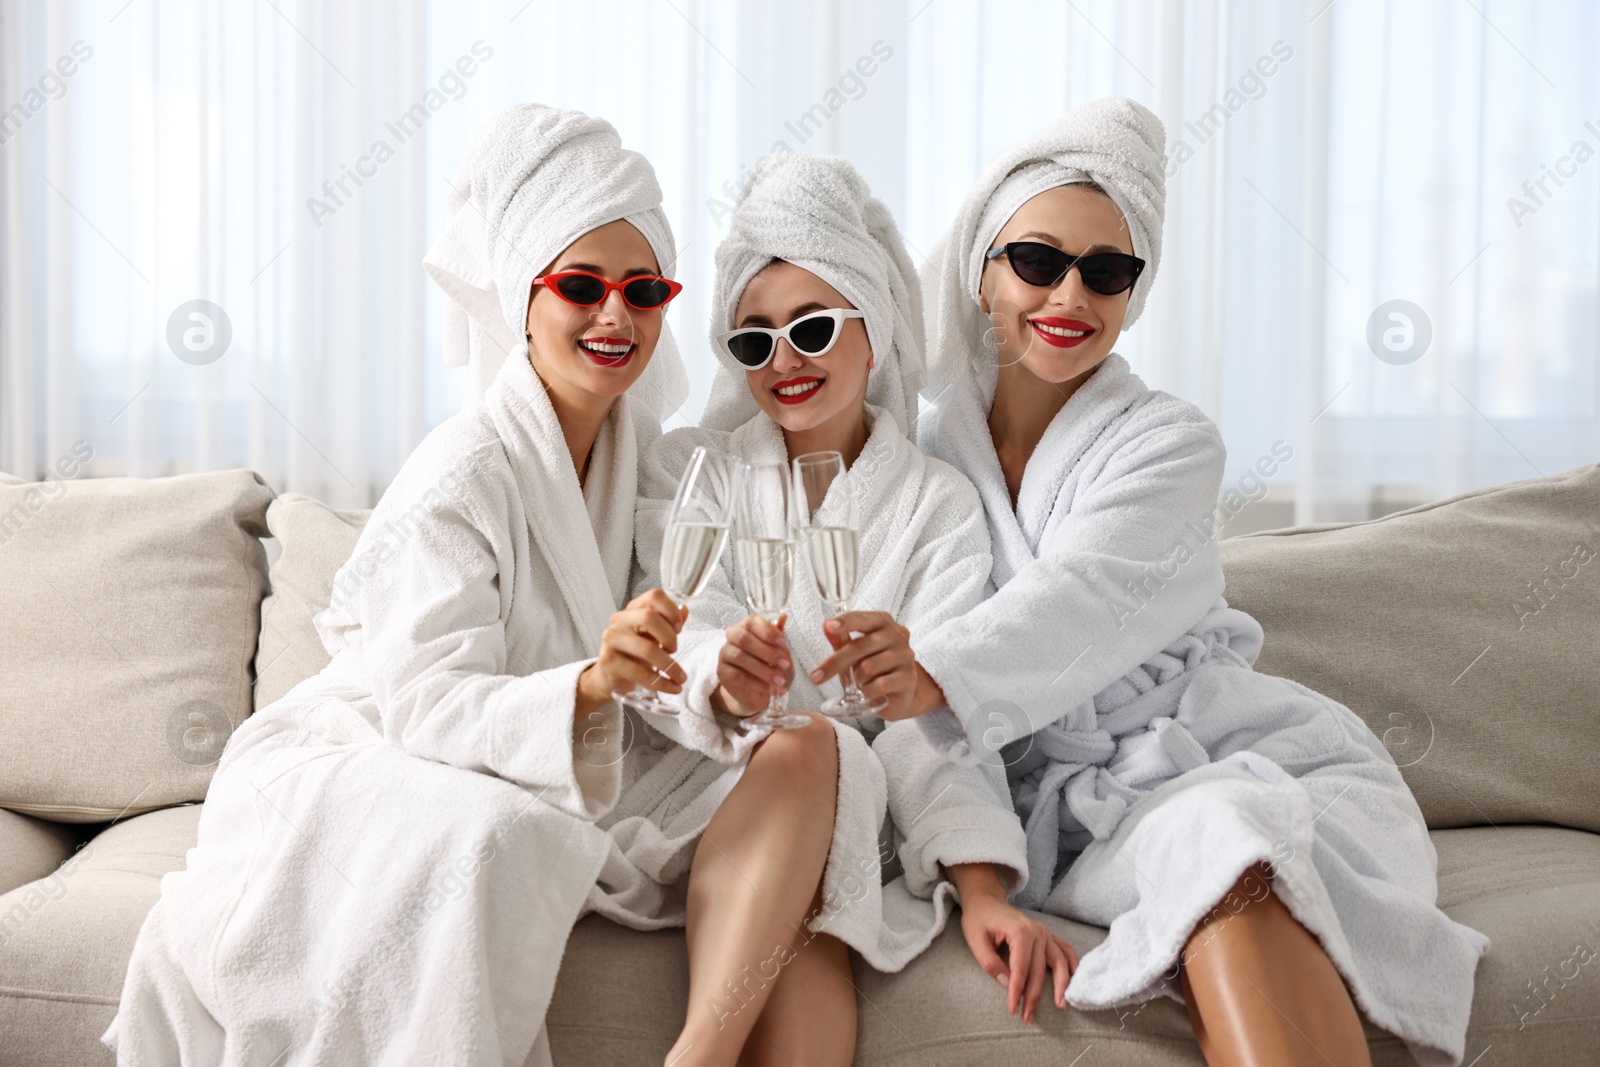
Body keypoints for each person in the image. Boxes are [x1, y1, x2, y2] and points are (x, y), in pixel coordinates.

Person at [811, 98, 1490, 1067]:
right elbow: (921, 712)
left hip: (1204, 752)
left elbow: (1089, 598)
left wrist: (931, 670)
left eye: (1107, 270)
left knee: (1227, 836)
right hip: (1046, 801)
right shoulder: (916, 462)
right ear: (979, 274)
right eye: (1037, 262)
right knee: (1220, 852)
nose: (1069, 296)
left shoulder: (1169, 441)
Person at [102, 103, 696, 1067]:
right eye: (581, 285)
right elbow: (423, 698)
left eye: (645, 287)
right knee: (497, 835)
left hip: (516, 745)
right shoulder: (464, 468)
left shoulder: (648, 463)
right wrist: (587, 688)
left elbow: (680, 637)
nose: (617, 315)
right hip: (367, 745)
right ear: (523, 296)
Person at [585, 154, 1060, 1067]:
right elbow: (669, 640)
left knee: (827, 772)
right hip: (712, 792)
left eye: (809, 327)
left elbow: (945, 722)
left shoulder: (937, 505)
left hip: (855, 814)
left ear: (874, 330)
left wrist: (985, 885)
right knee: (812, 741)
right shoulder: (694, 469)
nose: (785, 361)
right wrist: (722, 680)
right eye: (755, 341)